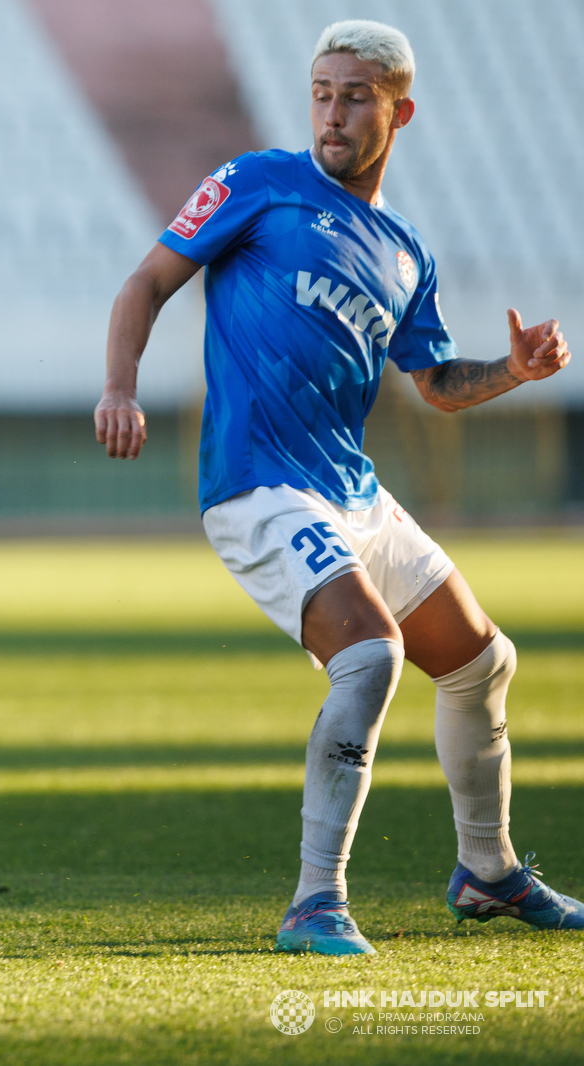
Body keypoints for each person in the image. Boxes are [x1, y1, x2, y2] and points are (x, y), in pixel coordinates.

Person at [97, 19, 580, 954]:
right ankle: (315, 902)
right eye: (321, 91)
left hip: (350, 493)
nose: (332, 111)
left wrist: (513, 371)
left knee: (484, 661)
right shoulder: (257, 182)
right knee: (370, 654)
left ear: (399, 112)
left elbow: (435, 383)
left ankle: (489, 874)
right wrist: (119, 386)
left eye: (354, 96)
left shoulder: (406, 254)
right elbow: (145, 284)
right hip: (257, 485)